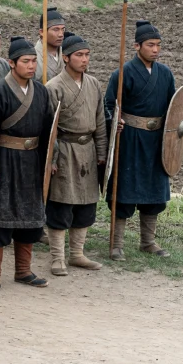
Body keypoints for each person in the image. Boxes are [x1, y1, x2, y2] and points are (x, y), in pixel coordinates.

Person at [0, 37, 54, 292]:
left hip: (31, 163)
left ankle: (23, 271)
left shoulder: (41, 92)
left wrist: (49, 162)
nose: (31, 66)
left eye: (34, 61)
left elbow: (48, 132)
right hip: (4, 160)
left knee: (30, 218)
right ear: (12, 63)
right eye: (25, 61)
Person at [104, 20, 176, 261]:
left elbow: (174, 108)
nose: (155, 50)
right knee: (124, 190)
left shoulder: (165, 74)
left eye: (158, 45)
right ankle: (116, 245)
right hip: (130, 141)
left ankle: (148, 241)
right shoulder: (122, 74)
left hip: (156, 142)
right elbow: (108, 106)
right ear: (137, 46)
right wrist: (116, 120)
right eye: (150, 45)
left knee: (154, 190)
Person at [45, 34, 108, 275]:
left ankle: (77, 254)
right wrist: (51, 159)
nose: (84, 60)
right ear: (66, 58)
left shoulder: (93, 84)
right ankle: (57, 257)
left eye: (87, 55)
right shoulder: (54, 87)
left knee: (85, 203)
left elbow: (100, 121)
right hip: (64, 150)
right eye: (79, 55)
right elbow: (48, 129)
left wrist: (101, 152)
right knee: (61, 203)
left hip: (88, 150)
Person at [35, 7, 67, 81]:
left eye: (63, 29)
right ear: (42, 32)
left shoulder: (67, 54)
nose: (61, 34)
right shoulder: (34, 58)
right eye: (56, 29)